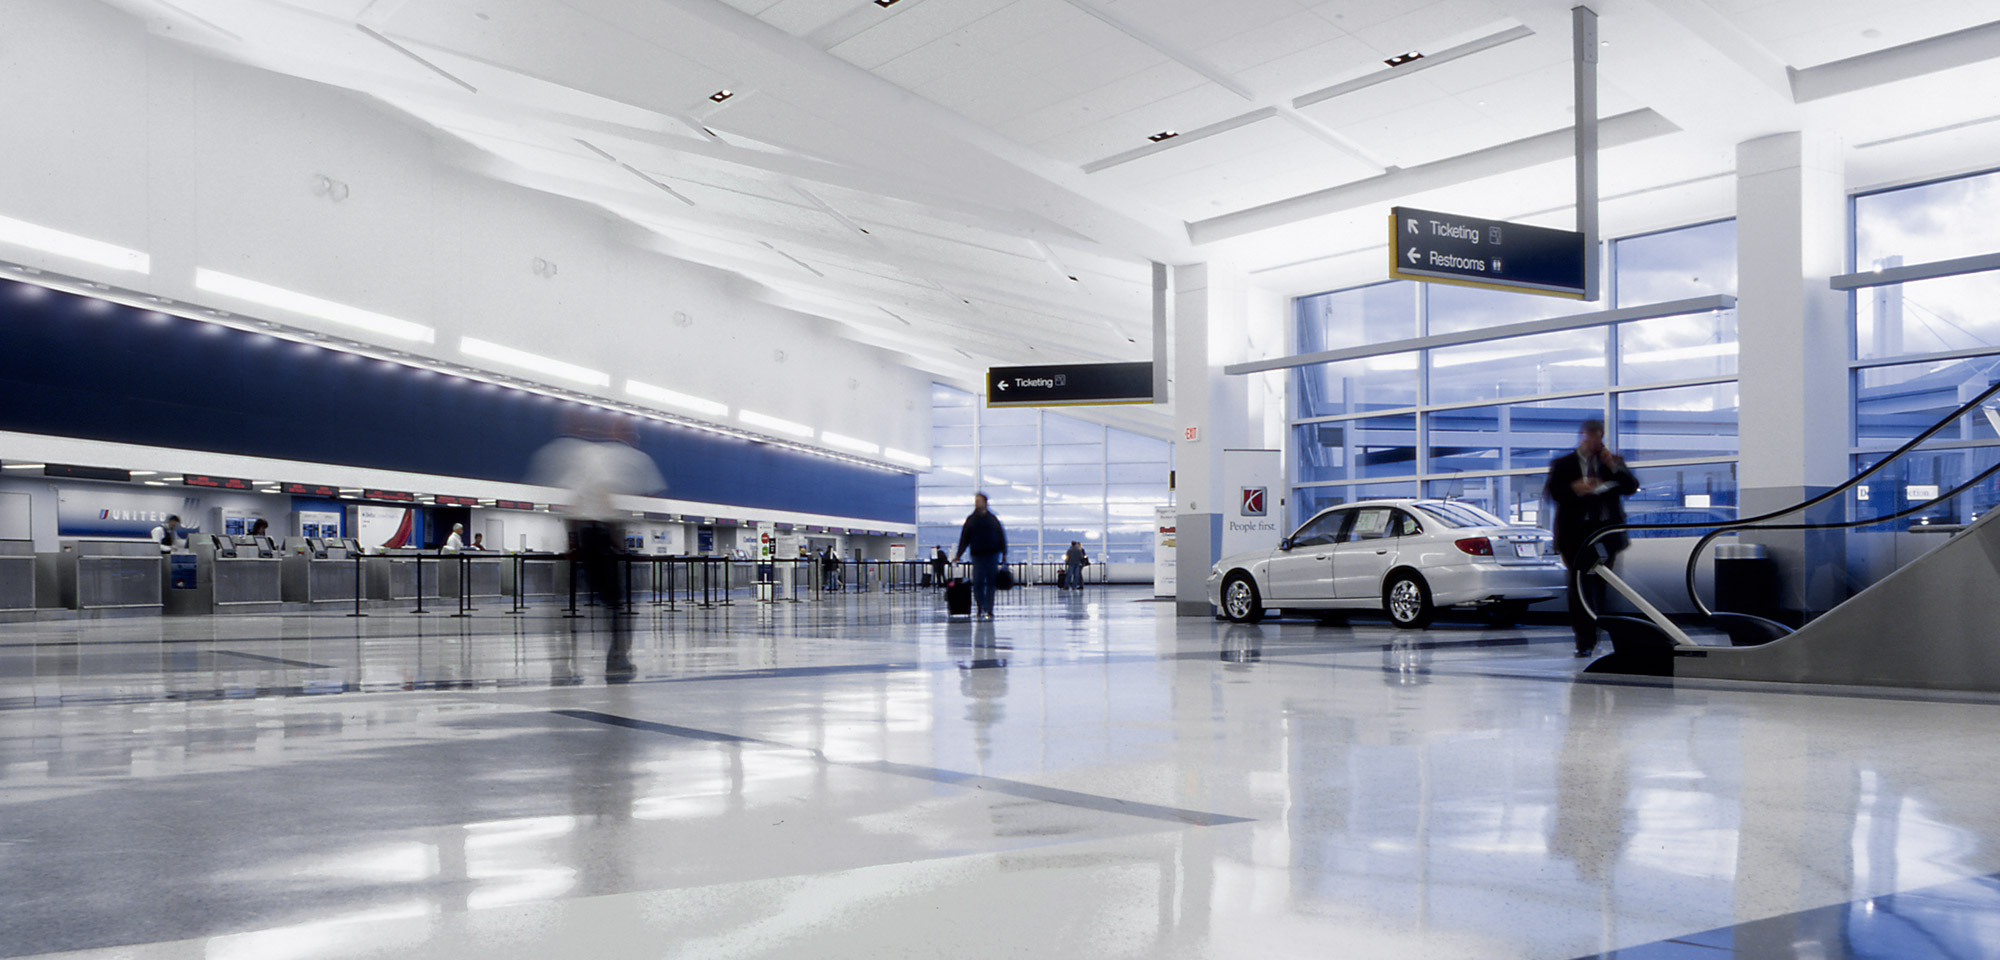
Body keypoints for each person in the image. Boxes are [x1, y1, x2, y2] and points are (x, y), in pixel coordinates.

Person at [529, 416, 667, 681]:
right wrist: (617, 538)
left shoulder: (583, 454)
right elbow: (619, 496)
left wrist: (572, 540)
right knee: (616, 604)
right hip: (601, 536)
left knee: (570, 603)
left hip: (579, 535)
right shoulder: (613, 457)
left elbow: (573, 499)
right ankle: (616, 659)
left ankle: (563, 664)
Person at [1544, 419, 1639, 657]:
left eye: (1600, 437)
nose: (1597, 442)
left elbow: (1631, 487)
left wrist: (1614, 467)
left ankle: (1609, 632)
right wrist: (1576, 489)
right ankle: (1584, 640)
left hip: (1605, 534)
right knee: (1579, 587)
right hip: (1575, 536)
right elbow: (1552, 493)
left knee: (1603, 585)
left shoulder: (1612, 461)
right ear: (1583, 436)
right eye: (1592, 437)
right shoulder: (1563, 464)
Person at [953, 493, 1006, 620]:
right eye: (976, 501)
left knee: (991, 583)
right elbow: (964, 538)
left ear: (985, 503)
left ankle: (989, 608)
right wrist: (958, 554)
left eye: (979, 501)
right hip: (977, 555)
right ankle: (981, 607)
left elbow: (1000, 536)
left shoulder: (992, 519)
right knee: (978, 582)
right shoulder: (971, 520)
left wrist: (1004, 553)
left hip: (992, 555)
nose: (977, 503)